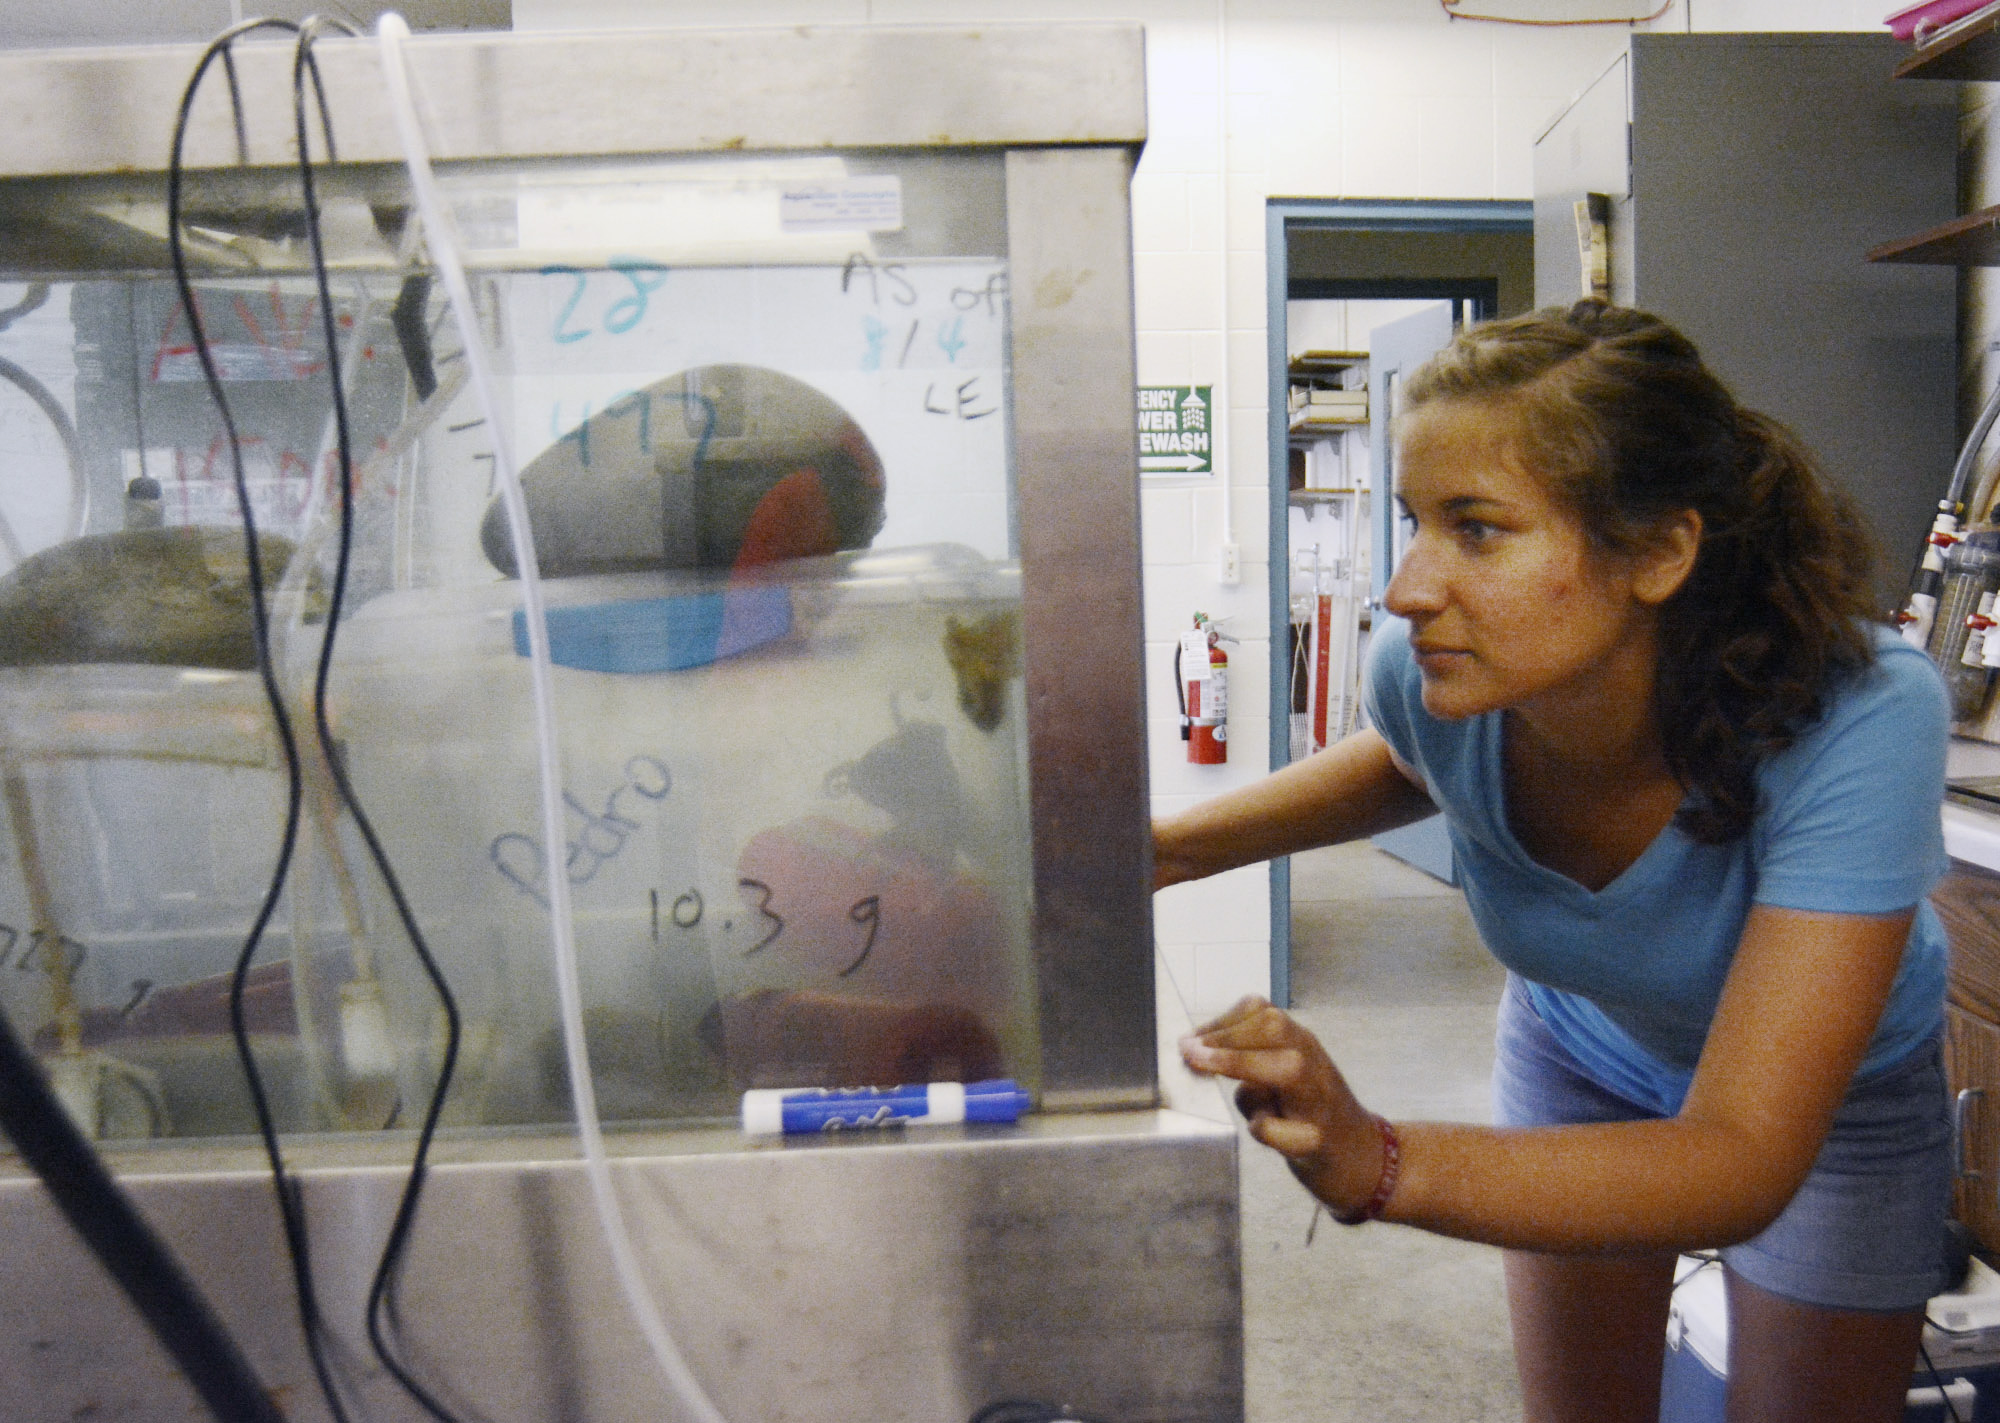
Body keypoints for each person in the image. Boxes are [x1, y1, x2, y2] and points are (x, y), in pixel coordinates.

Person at [1154, 299, 1954, 1423]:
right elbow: (1412, 763)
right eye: (1414, 521)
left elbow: (1737, 1153)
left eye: (1475, 528)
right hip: (1583, 1046)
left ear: (1659, 551)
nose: (1405, 587)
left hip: (1836, 1106)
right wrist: (1160, 851)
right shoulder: (1428, 677)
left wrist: (1381, 1158)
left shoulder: (1857, 716)